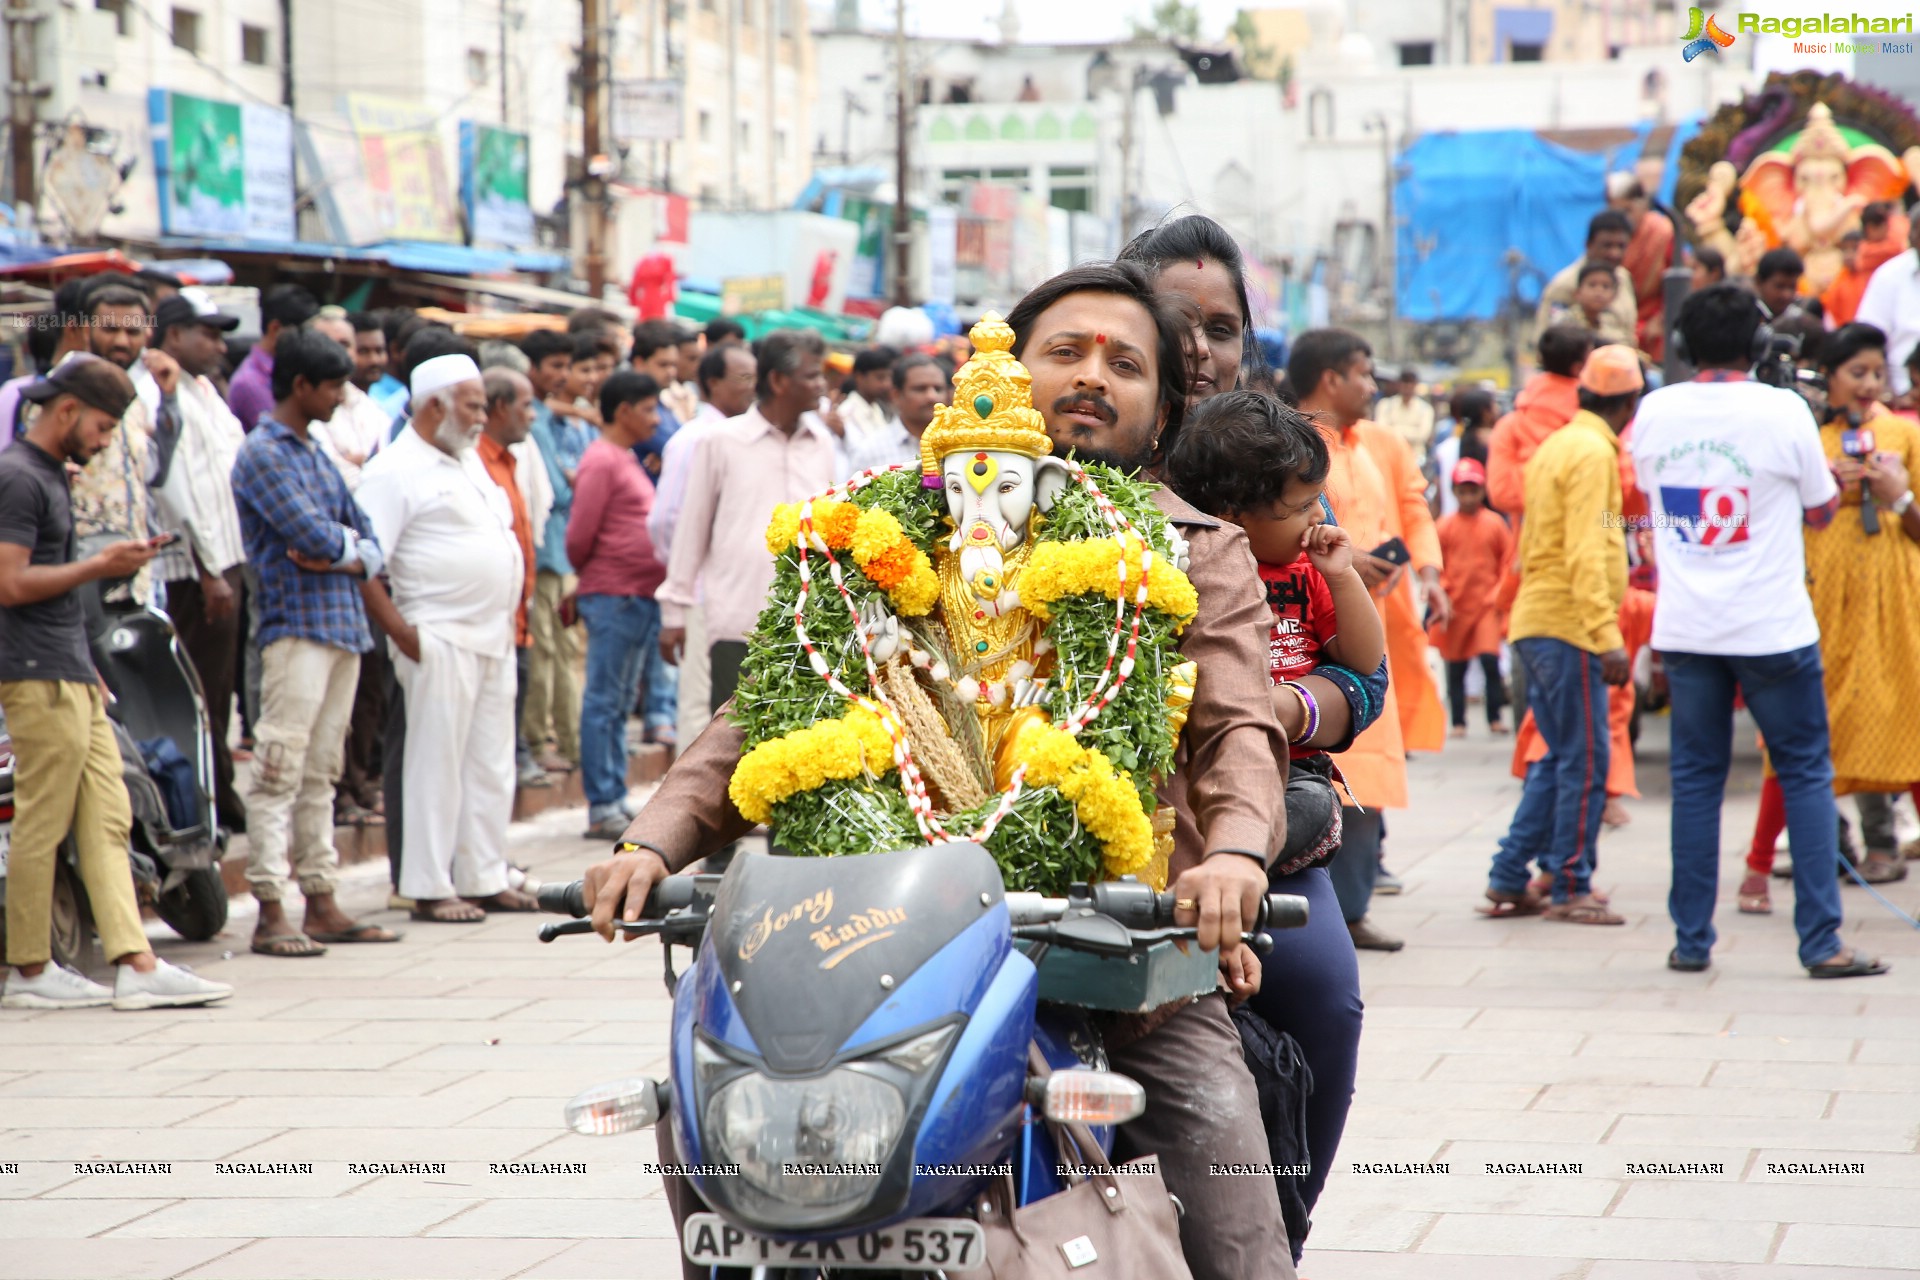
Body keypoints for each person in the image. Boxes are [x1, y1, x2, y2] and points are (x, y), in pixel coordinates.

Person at [587, 262, 1301, 1280]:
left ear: (1163, 409)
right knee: (713, 1123)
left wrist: (1231, 856)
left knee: (1235, 1208)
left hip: (1112, 955)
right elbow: (767, 709)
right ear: (994, 373)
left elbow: (1238, 729)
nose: (1093, 375)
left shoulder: (1193, 550)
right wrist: (649, 841)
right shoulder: (874, 532)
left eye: (1125, 363)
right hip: (869, 945)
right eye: (1066, 351)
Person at [1163, 388, 1384, 1252]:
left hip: (1287, 806)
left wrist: (1337, 575)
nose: (1313, 518)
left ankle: (1285, 1225)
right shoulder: (1173, 559)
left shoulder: (1304, 566)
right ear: (1228, 513)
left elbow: (1364, 670)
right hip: (1181, 815)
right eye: (1297, 509)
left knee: (1330, 1001)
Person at [1630, 283, 1881, 978]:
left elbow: (1647, 497)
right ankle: (1822, 942)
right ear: (1760, 346)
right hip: (1772, 629)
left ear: (1682, 346)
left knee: (1696, 781)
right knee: (1804, 772)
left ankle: (1691, 941)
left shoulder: (1653, 411)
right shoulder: (1784, 411)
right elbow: (1824, 512)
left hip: (1687, 629)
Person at [0, 356, 233, 1010]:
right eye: (103, 427)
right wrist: (100, 565)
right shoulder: (19, 478)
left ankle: (137, 962)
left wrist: (89, 666)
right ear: (68, 411)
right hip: (34, 672)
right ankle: (27, 969)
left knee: (109, 815)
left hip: (69, 669)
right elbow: (11, 583)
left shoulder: (46, 475)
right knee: (45, 821)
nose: (105, 442)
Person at [228, 331, 399, 958]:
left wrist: (345, 556)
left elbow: (364, 540)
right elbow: (315, 536)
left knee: (321, 771)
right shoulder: (264, 454)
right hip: (295, 628)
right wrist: (350, 555)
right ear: (301, 386)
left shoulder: (314, 450)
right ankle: (273, 907)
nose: (340, 397)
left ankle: (321, 899)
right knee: (279, 769)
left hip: (340, 626)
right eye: (332, 386)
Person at [356, 354, 534, 923]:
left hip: (492, 636)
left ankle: (482, 875)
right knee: (435, 765)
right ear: (436, 405)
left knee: (489, 763)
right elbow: (363, 563)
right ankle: (429, 886)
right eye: (474, 405)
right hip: (437, 636)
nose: (483, 417)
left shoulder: (465, 461)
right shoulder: (392, 470)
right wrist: (404, 635)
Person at [1290, 327, 1450, 951]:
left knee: (1372, 776)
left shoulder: (1381, 441)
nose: (1373, 384)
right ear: (1330, 378)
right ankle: (1331, 910)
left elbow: (1413, 507)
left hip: (1380, 623)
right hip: (1312, 629)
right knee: (1330, 774)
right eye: (1363, 372)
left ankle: (1351, 905)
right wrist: (1345, 560)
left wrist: (1429, 572)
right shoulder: (1294, 443)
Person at [1482, 346, 1639, 925]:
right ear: (1629, 402)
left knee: (1556, 761)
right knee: (1587, 760)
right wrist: (1607, 635)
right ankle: (1571, 883)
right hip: (1568, 626)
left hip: (1538, 620)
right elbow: (1584, 549)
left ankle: (1508, 874)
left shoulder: (1559, 444)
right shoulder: (1594, 452)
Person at [1784, 324, 1920, 884]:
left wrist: (1897, 493)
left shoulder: (1904, 435)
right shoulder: (1807, 438)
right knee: (1820, 710)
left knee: (1886, 709)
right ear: (1832, 379)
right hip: (1819, 588)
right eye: (1856, 373)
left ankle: (1882, 839)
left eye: (1877, 373)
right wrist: (1821, 487)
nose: (1869, 384)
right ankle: (1826, 841)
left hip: (1889, 590)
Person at [655, 330, 838, 716]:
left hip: (810, 627)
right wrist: (674, 612)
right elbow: (691, 530)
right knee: (732, 744)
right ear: (777, 381)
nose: (821, 386)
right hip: (738, 623)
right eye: (811, 376)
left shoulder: (821, 444)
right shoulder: (720, 441)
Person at [141, 294, 250, 831]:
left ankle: (220, 797)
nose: (218, 345)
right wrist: (209, 570)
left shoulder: (207, 391)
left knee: (220, 690)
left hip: (229, 558)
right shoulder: (160, 393)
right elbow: (178, 492)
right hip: (193, 570)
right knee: (201, 693)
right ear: (174, 336)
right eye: (207, 333)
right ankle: (206, 805)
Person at [569, 371, 669, 839]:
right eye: (649, 409)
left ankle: (613, 796)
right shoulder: (601, 460)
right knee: (605, 700)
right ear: (623, 411)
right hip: (614, 595)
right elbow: (578, 538)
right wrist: (598, 576)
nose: (656, 418)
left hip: (636, 596)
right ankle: (602, 803)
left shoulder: (625, 458)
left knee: (619, 701)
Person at [649, 341, 760, 749]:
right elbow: (667, 522)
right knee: (699, 710)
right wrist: (685, 581)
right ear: (713, 382)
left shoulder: (746, 437)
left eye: (756, 377)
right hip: (700, 594)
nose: (753, 387)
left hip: (737, 596)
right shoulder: (695, 438)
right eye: (744, 378)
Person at [477, 367, 554, 794]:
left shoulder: (510, 459)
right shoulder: (477, 462)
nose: (533, 416)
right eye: (526, 405)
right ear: (500, 407)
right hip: (491, 626)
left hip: (517, 621)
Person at [518, 329, 584, 773]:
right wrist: (573, 480)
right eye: (555, 366)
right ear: (533, 368)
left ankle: (568, 743)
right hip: (543, 553)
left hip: (561, 552)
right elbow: (560, 490)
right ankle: (538, 742)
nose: (561, 376)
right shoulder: (536, 420)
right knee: (544, 651)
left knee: (563, 650)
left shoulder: (554, 417)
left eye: (566, 366)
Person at [1431, 458, 1512, 736]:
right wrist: (1442, 591)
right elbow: (1434, 563)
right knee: (1456, 666)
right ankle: (1459, 722)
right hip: (1456, 606)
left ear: (1482, 491)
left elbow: (1507, 560)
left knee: (1490, 661)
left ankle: (1495, 718)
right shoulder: (1444, 526)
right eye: (1463, 490)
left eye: (1473, 490)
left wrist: (1499, 592)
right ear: (1454, 491)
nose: (1468, 496)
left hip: (1487, 604)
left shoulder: (1495, 524)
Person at [310, 312, 392, 488]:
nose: (338, 352)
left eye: (346, 345)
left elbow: (393, 465)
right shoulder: (308, 407)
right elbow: (330, 479)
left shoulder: (367, 405)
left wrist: (361, 463)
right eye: (330, 344)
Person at [226, 283, 319, 432]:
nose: (310, 340)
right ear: (275, 328)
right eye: (303, 332)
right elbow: (284, 436)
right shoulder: (250, 382)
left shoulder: (286, 370)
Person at [1534, 211, 1637, 345]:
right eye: (1607, 245)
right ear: (1589, 245)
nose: (1614, 253)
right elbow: (1548, 342)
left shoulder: (1623, 277)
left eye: (1621, 246)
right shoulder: (1565, 285)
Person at [1608, 171, 1676, 359]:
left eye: (1627, 210)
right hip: (1617, 316)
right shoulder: (1611, 233)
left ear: (1642, 205)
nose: (1623, 217)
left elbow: (1676, 285)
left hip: (1653, 319)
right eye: (1616, 210)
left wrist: (1660, 319)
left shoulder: (1661, 233)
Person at [1853, 209, 1920, 399]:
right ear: (1912, 237)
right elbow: (1866, 340)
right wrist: (1886, 392)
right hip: (1901, 395)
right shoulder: (1890, 276)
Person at [844, 351, 944, 475]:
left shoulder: (960, 445)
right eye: (920, 388)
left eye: (938, 389)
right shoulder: (870, 451)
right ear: (896, 395)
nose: (932, 396)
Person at [1432, 387, 1496, 516]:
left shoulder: (1445, 447)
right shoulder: (1494, 442)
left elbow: (1438, 493)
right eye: (1494, 405)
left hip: (1450, 519)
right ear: (1485, 412)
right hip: (1486, 523)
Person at [1547, 262, 1634, 346]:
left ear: (1614, 296)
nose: (1599, 291)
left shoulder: (1611, 326)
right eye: (1592, 285)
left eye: (1605, 286)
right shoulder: (1564, 323)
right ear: (1577, 293)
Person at [1373, 367, 1435, 460]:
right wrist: (1411, 431)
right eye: (1405, 382)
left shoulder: (1425, 409)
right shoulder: (1385, 405)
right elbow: (1381, 430)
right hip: (1389, 457)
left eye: (1411, 382)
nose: (1408, 386)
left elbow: (1423, 435)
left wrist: (1394, 428)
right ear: (1399, 384)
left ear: (1416, 384)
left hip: (1415, 459)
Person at [839, 344, 899, 438]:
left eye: (888, 377)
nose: (887, 384)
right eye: (880, 377)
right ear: (859, 377)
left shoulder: (877, 408)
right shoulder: (846, 413)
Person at [1821, 231, 1872, 328]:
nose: (1848, 255)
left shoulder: (1871, 275)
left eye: (1854, 249)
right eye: (1844, 250)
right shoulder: (1840, 280)